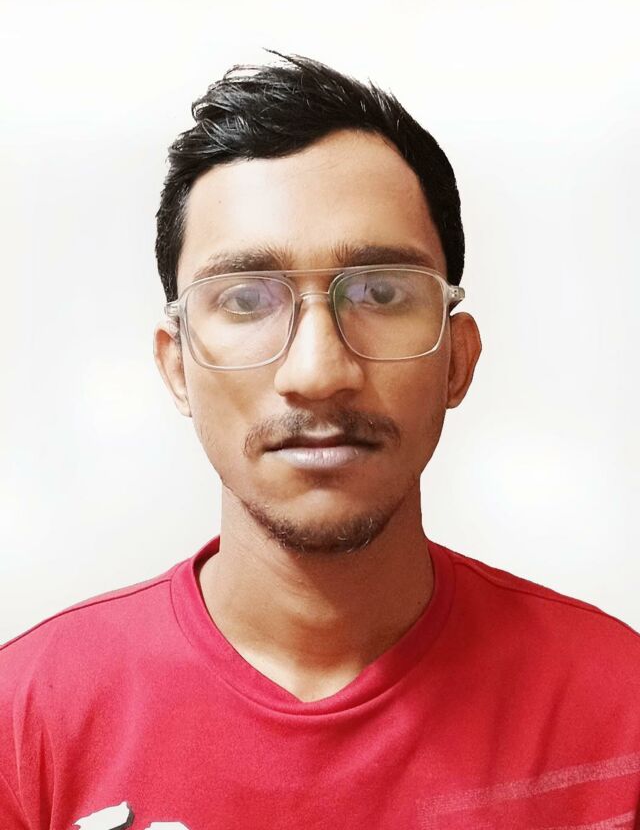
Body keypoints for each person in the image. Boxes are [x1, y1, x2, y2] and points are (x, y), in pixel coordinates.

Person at [1, 52, 639, 830]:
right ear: (176, 367)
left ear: (457, 359)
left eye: (380, 291)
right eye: (246, 298)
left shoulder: (620, 714)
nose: (318, 372)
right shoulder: (27, 720)